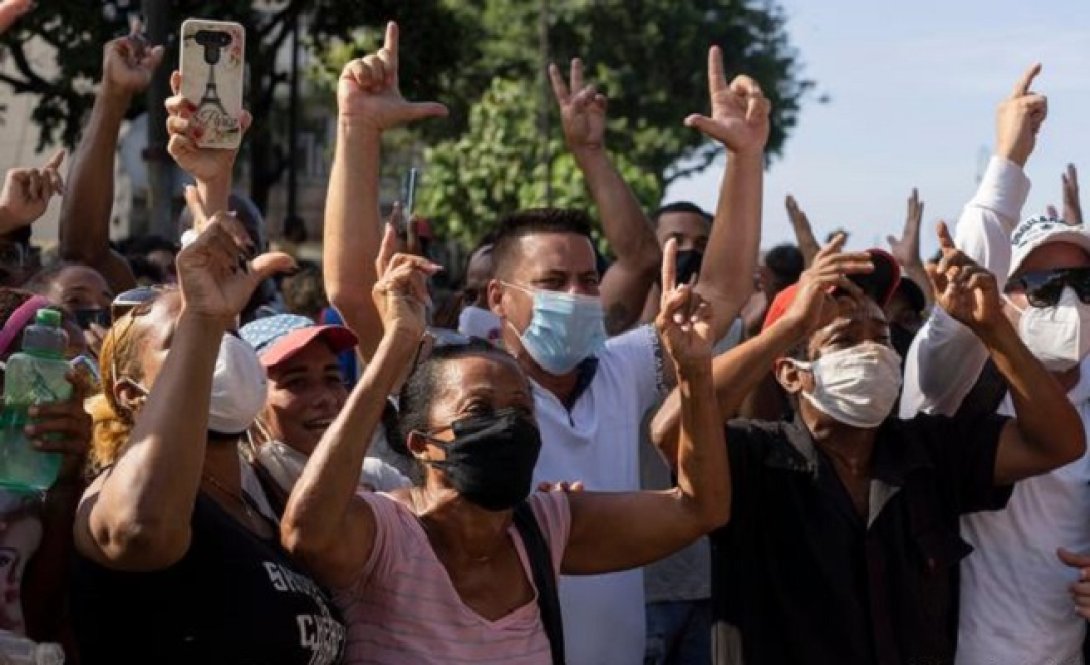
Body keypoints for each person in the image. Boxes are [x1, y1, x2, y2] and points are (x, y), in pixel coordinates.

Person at [322, 26, 767, 662]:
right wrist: (358, 128)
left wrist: (745, 157)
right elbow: (351, 289)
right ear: (498, 297)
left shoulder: (619, 368)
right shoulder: (455, 377)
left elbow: (719, 295)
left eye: (588, 279)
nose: (578, 294)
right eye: (553, 283)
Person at [281, 221, 729, 664]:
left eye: (521, 410)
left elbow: (699, 509)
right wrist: (396, 344)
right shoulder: (387, 536)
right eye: (479, 408)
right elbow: (306, 532)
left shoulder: (545, 531)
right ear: (420, 443)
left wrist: (693, 369)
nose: (507, 424)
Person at [652, 227, 1085, 665]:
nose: (871, 352)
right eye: (844, 340)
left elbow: (1057, 444)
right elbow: (672, 434)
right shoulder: (752, 457)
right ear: (791, 373)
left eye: (880, 337)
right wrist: (789, 327)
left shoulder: (929, 453)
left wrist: (993, 328)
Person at [69, 64, 344, 664]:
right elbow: (140, 529)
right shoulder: (117, 496)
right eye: (188, 338)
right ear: (131, 393)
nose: (218, 348)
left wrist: (214, 180)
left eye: (225, 332)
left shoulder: (264, 493)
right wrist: (199, 314)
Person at [900, 64, 1090, 665]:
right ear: (999, 296)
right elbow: (958, 316)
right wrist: (1009, 160)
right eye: (1042, 285)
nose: (1068, 301)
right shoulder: (957, 383)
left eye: (1083, 284)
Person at [0, 288, 93, 658]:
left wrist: (65, 483)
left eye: (83, 368)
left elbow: (40, 617)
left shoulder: (54, 483)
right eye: (47, 370)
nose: (75, 388)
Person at [239, 313, 409, 509]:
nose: (326, 398)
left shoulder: (379, 480)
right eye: (296, 382)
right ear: (248, 396)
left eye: (332, 378)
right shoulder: (243, 492)